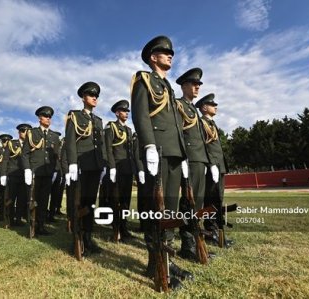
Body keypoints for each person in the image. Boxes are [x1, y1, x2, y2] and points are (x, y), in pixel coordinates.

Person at [131, 35, 192, 290]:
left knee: (170, 210)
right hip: (158, 150)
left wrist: (183, 155)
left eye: (171, 53)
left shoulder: (169, 88)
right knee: (157, 210)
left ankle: (166, 258)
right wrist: (148, 146)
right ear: (153, 57)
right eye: (165, 53)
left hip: (174, 153)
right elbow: (140, 114)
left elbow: (177, 126)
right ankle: (156, 262)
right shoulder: (143, 80)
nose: (170, 56)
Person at [65, 81, 107, 255]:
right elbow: (70, 141)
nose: (95, 98)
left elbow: (102, 144)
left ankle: (88, 237)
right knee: (78, 202)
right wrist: (73, 163)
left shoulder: (98, 120)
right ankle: (77, 238)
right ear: (83, 98)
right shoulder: (74, 116)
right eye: (91, 95)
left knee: (90, 203)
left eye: (96, 95)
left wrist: (104, 164)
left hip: (95, 165)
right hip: (81, 165)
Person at [175, 67, 213, 260]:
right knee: (188, 203)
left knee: (197, 203)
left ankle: (197, 241)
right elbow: (178, 134)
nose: (197, 87)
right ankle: (187, 244)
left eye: (199, 84)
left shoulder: (193, 111)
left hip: (200, 160)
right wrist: (182, 157)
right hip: (189, 159)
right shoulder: (178, 105)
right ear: (184, 86)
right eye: (194, 83)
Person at [196, 93, 233, 248]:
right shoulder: (201, 123)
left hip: (219, 166)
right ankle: (211, 231)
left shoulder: (212, 123)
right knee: (212, 199)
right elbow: (204, 146)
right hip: (212, 166)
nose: (215, 107)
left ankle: (216, 230)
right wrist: (211, 164)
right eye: (212, 105)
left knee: (218, 199)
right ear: (204, 107)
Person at [22, 106, 61, 236]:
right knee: (33, 200)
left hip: (48, 172)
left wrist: (55, 170)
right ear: (39, 118)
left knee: (44, 200)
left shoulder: (54, 136)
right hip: (34, 172)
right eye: (45, 116)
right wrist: (27, 169)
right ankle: (32, 226)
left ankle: (41, 226)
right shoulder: (32, 133)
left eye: (50, 117)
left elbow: (56, 156)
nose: (48, 118)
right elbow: (25, 153)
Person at [104, 99, 135, 242]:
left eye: (127, 111)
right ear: (117, 113)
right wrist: (111, 167)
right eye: (123, 111)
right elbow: (108, 149)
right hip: (116, 168)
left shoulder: (129, 130)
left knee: (125, 200)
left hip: (127, 169)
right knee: (115, 199)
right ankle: (115, 227)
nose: (126, 113)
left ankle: (124, 226)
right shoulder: (111, 127)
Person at [1, 124, 32, 227]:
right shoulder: (11, 144)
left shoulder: (31, 144)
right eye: (23, 131)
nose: (25, 133)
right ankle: (9, 220)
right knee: (11, 198)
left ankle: (18, 219)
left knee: (22, 199)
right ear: (19, 133)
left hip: (25, 175)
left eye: (27, 132)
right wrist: (3, 174)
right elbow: (5, 160)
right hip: (13, 174)